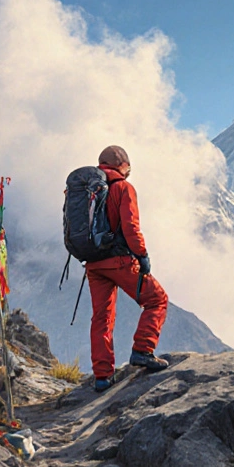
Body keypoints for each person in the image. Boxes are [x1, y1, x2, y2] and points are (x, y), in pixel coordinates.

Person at [87, 145, 169, 392]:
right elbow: (131, 228)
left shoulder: (87, 190)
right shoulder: (123, 188)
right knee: (157, 299)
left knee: (102, 317)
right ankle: (143, 349)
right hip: (120, 260)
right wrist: (142, 255)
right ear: (123, 165)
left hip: (92, 263)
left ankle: (102, 377)